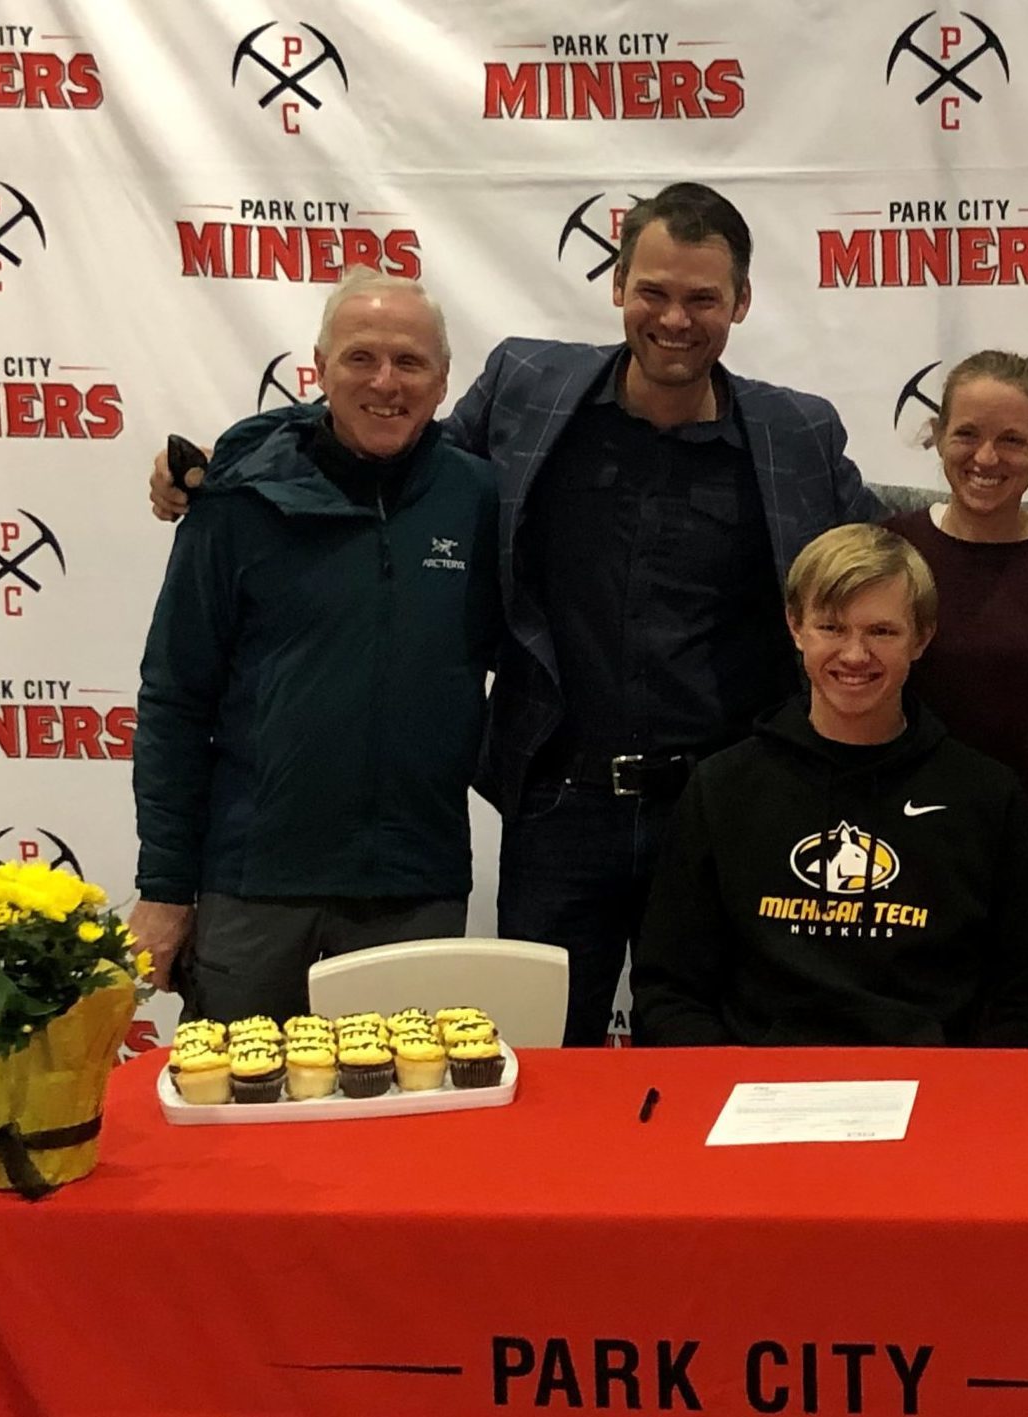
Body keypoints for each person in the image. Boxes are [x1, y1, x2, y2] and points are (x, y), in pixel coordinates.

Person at [151, 183, 886, 1045]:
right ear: (616, 286)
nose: (674, 319)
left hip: (720, 811)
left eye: (702, 299)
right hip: (560, 810)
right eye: (652, 291)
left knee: (711, 1068)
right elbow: (388, 439)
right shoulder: (527, 389)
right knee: (541, 1074)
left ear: (742, 304)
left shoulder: (795, 432)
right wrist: (224, 459)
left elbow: (890, 541)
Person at [130, 270, 499, 1021]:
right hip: (253, 883)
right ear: (319, 368)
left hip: (414, 886)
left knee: (396, 1127)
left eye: (410, 362)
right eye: (360, 358)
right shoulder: (235, 499)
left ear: (443, 382)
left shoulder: (479, 498)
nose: (385, 382)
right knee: (233, 1123)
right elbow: (174, 700)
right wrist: (165, 889)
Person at [630, 524, 1028, 1046]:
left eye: (881, 632)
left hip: (935, 1094)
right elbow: (669, 990)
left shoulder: (986, 796)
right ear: (796, 628)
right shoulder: (722, 788)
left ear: (922, 637)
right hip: (759, 1095)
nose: (855, 655)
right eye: (832, 628)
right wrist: (735, 1083)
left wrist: (963, 1092)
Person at [883, 352, 1028, 1046]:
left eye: (1013, 439)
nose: (988, 457)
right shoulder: (894, 551)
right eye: (967, 434)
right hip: (913, 869)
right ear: (937, 436)